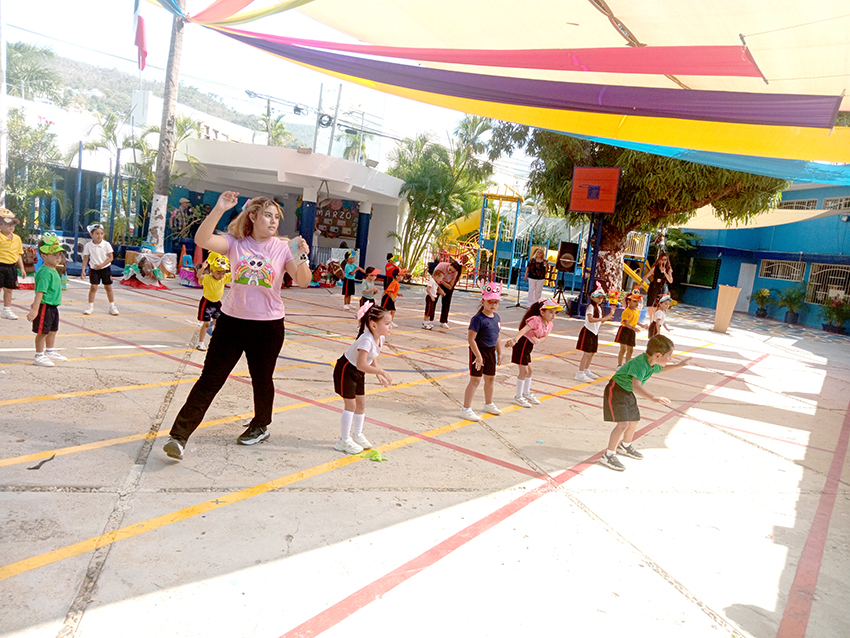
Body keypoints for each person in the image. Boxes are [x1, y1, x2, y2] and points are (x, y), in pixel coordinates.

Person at [162, 191, 312, 461]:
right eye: (268, 215)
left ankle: (261, 425)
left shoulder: (283, 247)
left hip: (268, 326)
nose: (273, 221)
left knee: (262, 379)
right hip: (231, 323)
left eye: (276, 217)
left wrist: (301, 256)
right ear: (252, 216)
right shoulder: (235, 243)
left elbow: (303, 281)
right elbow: (202, 239)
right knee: (210, 379)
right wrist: (220, 208)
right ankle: (179, 436)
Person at [599, 334, 691, 471]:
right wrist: (653, 398)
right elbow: (636, 385)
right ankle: (608, 455)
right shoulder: (640, 364)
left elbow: (661, 369)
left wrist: (678, 366)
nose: (670, 359)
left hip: (627, 391)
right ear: (658, 355)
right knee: (623, 424)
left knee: (634, 420)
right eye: (669, 356)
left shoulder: (651, 362)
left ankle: (625, 445)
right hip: (617, 389)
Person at [332, 302, 393, 454]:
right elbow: (361, 364)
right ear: (373, 325)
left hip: (358, 371)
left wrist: (378, 373)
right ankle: (343, 441)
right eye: (387, 324)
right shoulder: (366, 340)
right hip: (347, 369)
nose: (390, 327)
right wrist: (381, 371)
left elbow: (373, 355)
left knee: (361, 403)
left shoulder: (379, 338)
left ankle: (357, 434)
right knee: (351, 405)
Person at [504, 297, 561, 407]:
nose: (553, 315)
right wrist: (515, 340)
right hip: (522, 345)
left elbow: (545, 337)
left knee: (530, 370)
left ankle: (526, 393)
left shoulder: (549, 324)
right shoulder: (535, 320)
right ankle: (518, 397)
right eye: (550, 312)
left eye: (555, 313)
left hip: (528, 347)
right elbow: (523, 330)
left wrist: (538, 341)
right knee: (524, 371)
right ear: (542, 312)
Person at [460, 282, 503, 422]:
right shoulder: (477, 319)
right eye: (490, 301)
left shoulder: (496, 318)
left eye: (496, 302)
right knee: (475, 380)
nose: (493, 305)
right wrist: (478, 356)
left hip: (491, 351)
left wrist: (499, 352)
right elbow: (471, 339)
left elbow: (497, 336)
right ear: (483, 301)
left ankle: (488, 403)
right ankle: (466, 409)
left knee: (490, 378)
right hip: (479, 350)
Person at [26, 234, 68, 367]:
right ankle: (39, 356)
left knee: (52, 330)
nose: (58, 258)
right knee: (42, 332)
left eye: (59, 255)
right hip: (45, 305)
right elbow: (40, 292)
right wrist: (35, 309)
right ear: (43, 255)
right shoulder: (44, 272)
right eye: (54, 255)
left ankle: (49, 351)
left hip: (53, 306)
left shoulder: (53, 270)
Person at [575, 286, 615, 383]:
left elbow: (600, 321)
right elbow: (590, 319)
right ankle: (580, 373)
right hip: (588, 331)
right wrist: (604, 318)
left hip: (594, 332)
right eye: (598, 297)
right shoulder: (591, 307)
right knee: (587, 353)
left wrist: (610, 314)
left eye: (602, 297)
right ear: (592, 297)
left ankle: (586, 369)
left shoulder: (599, 308)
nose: (601, 299)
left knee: (592, 353)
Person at [80, 223, 119, 316]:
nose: (99, 236)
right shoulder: (88, 245)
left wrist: (101, 265)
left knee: (108, 287)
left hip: (105, 268)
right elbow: (85, 258)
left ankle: (112, 306)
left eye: (101, 233)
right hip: (94, 269)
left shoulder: (106, 244)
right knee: (93, 287)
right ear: (91, 234)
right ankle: (90, 306)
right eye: (97, 233)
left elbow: (111, 257)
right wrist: (83, 270)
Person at [195, 251, 231, 351]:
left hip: (217, 303)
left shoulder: (224, 278)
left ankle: (217, 341)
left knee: (218, 323)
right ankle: (200, 342)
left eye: (223, 273)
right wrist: (203, 268)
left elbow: (235, 274)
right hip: (207, 303)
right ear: (212, 270)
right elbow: (199, 276)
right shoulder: (207, 278)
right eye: (218, 272)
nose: (221, 275)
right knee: (207, 323)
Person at [0, 210, 26, 320]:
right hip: (0, 265)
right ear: (0, 225)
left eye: (13, 224)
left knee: (9, 289)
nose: (11, 227)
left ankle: (7, 309)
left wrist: (22, 268)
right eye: (7, 224)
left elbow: (19, 254)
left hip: (11, 267)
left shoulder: (17, 238)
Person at [615, 290, 648, 368]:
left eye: (638, 302)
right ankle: (619, 365)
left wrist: (642, 325)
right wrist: (633, 328)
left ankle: (627, 365)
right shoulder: (626, 311)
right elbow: (626, 323)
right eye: (634, 301)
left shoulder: (637, 311)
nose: (637, 303)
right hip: (624, 330)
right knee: (623, 349)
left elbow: (635, 321)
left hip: (632, 331)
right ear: (629, 301)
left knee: (630, 350)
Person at [643, 252, 673, 324]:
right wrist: (641, 283)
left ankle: (658, 321)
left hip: (663, 287)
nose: (663, 261)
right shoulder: (655, 267)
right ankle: (651, 322)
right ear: (659, 260)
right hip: (654, 286)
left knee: (662, 304)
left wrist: (665, 272)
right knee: (651, 305)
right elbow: (647, 275)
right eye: (662, 259)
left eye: (665, 260)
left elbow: (670, 281)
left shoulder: (668, 269)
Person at [433, 259, 462, 329]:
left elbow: (450, 287)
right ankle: (429, 319)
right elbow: (434, 278)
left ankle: (443, 321)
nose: (450, 272)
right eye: (450, 270)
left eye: (453, 272)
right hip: (437, 283)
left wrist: (443, 282)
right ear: (450, 265)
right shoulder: (441, 266)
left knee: (446, 303)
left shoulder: (455, 273)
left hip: (446, 285)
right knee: (433, 300)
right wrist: (439, 289)